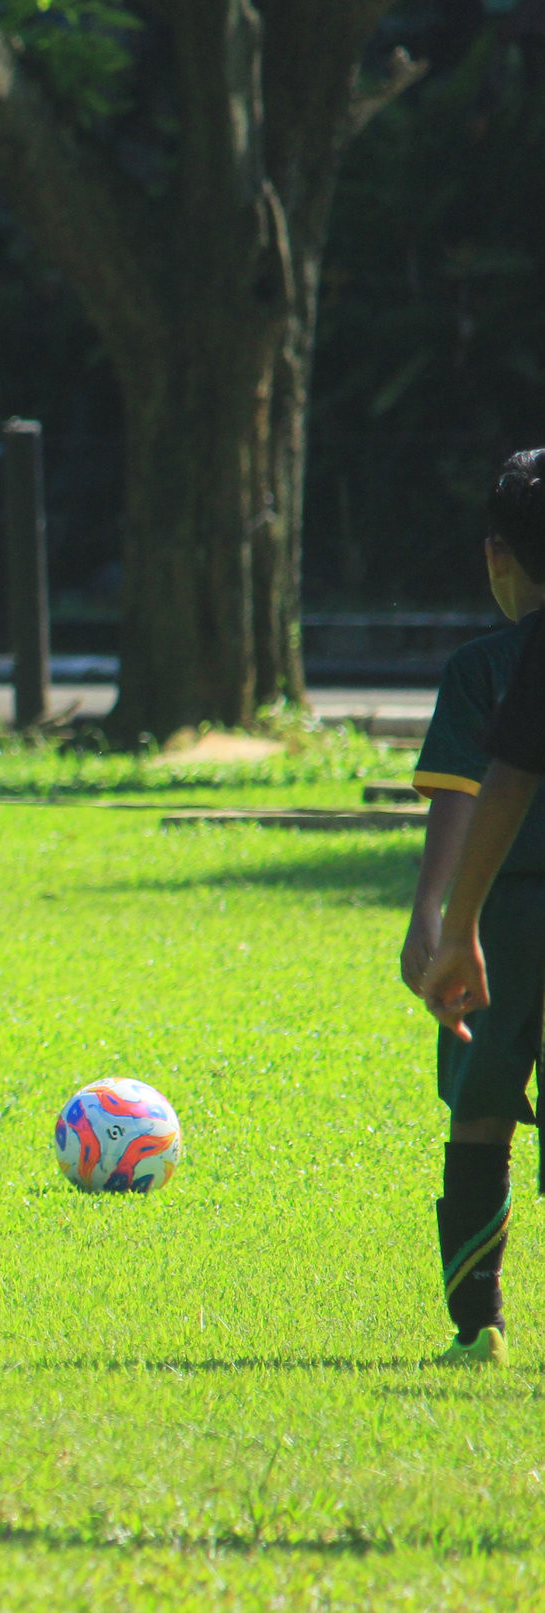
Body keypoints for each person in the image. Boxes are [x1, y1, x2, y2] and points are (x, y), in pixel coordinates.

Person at [412, 449, 545, 1363]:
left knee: (480, 1109)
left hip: (500, 915)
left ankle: (479, 1325)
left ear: (497, 553)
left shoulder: (481, 667)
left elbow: (466, 795)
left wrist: (437, 923)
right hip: (495, 915)